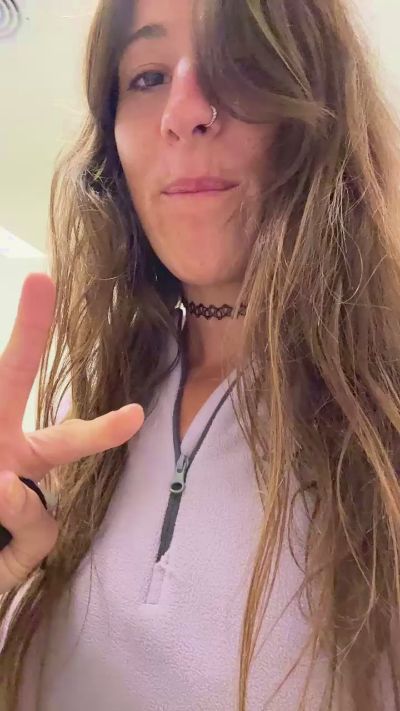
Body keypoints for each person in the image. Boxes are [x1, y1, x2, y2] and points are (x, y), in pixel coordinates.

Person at [1, 0, 400, 708]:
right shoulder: (78, 408)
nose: (182, 110)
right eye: (148, 77)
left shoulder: (386, 424)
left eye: (240, 65)